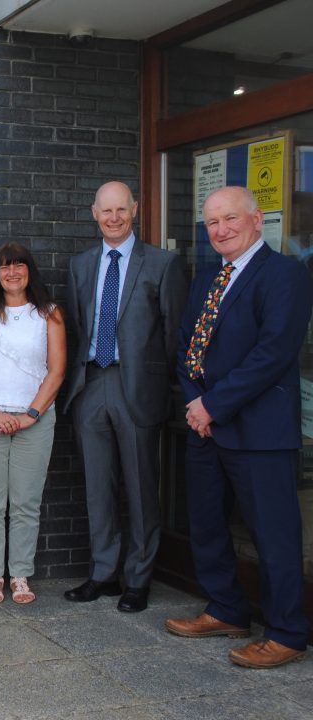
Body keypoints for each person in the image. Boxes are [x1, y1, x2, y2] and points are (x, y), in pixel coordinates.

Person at [166, 186, 311, 668]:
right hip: (206, 427)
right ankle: (226, 607)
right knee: (207, 524)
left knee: (274, 536)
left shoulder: (285, 274)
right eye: (212, 223)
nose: (221, 230)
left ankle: (287, 631)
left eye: (230, 219)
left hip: (260, 432)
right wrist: (195, 405)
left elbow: (272, 353)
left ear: (257, 220)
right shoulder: (208, 277)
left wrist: (213, 406)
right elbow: (189, 347)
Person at [62, 180, 187, 612]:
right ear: (94, 213)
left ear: (135, 208)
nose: (114, 218)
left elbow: (173, 335)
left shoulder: (162, 263)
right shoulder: (80, 265)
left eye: (122, 210)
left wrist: (158, 381)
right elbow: (79, 327)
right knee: (98, 487)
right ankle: (103, 573)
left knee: (140, 487)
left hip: (138, 387)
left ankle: (138, 578)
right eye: (106, 211)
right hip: (91, 383)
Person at [0, 243, 66, 604]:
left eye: (19, 265)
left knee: (26, 501)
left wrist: (29, 415)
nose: (12, 272)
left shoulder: (49, 314)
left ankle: (20, 574)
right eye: (5, 267)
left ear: (30, 270)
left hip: (34, 420)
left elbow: (57, 370)